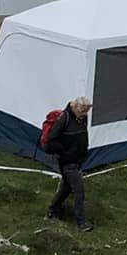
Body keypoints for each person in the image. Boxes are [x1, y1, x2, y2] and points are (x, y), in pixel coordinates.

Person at [44, 97, 93, 231]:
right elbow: (51, 140)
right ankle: (81, 223)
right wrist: (65, 152)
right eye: (83, 111)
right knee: (79, 190)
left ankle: (52, 209)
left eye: (87, 112)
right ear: (76, 108)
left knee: (66, 188)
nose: (85, 115)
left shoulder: (83, 118)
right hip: (67, 161)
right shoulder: (63, 119)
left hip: (78, 160)